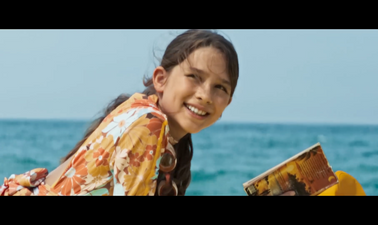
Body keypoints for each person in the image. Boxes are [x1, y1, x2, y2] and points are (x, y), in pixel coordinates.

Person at [0, 29, 239, 196]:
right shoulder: (149, 123)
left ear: (227, 103)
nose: (205, 95)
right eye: (194, 77)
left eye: (220, 87)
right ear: (161, 79)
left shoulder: (145, 114)